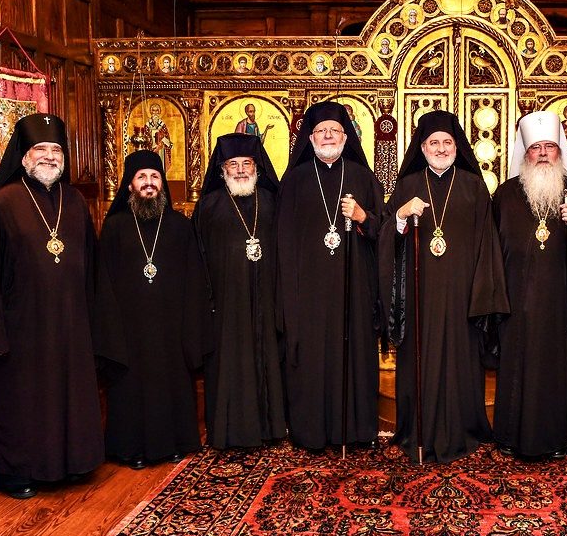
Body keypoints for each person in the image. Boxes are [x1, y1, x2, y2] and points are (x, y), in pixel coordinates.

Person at [0, 113, 103, 499]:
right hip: (21, 331)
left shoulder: (74, 202)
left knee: (69, 396)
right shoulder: (3, 204)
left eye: (57, 150)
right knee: (23, 403)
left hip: (71, 324)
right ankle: (20, 473)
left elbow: (91, 270)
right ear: (24, 156)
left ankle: (71, 464)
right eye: (41, 149)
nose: (50, 156)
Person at [380, 110, 509, 463]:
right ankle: (416, 431)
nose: (440, 148)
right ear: (422, 148)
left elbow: (488, 245)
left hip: (462, 296)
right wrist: (401, 217)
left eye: (447, 142)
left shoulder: (473, 186)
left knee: (460, 364)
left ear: (457, 147)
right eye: (433, 142)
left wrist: (481, 295)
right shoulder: (407, 186)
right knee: (419, 362)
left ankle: (464, 429)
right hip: (418, 297)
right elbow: (385, 238)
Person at [277, 101, 385, 451]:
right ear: (310, 138)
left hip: (354, 289)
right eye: (321, 131)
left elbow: (384, 231)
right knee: (311, 358)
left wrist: (363, 216)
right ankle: (311, 433)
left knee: (354, 354)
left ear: (346, 137)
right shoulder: (294, 181)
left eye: (334, 131)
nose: (327, 136)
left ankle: (356, 430)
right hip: (308, 292)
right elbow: (283, 241)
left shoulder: (363, 177)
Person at [492, 111, 567, 459]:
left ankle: (556, 439)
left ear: (559, 151)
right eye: (535, 147)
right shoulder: (505, 195)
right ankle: (510, 435)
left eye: (549, 147)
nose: (542, 153)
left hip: (560, 305)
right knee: (515, 367)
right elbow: (490, 250)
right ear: (525, 152)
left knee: (556, 370)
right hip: (515, 303)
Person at [94, 150, 210, 469]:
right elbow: (103, 282)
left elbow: (194, 279)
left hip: (171, 328)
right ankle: (131, 449)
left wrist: (191, 327)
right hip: (128, 330)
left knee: (171, 386)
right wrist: (110, 329)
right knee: (130, 389)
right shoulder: (115, 227)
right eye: (141, 177)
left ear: (163, 183)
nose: (149, 183)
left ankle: (174, 444)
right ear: (130, 185)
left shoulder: (180, 227)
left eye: (155, 177)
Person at [193, 133, 286, 449]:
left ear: (257, 167)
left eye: (247, 163)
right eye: (233, 164)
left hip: (266, 297)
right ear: (222, 170)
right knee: (229, 360)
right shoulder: (209, 206)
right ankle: (230, 431)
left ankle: (270, 427)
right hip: (226, 302)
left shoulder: (271, 201)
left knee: (267, 355)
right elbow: (198, 255)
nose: (241, 170)